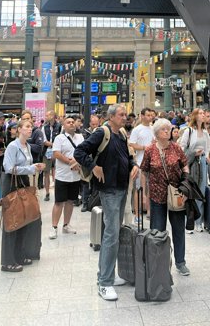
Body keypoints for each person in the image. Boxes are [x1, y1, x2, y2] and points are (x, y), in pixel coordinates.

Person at [74, 104, 139, 301]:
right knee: (111, 233)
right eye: (121, 115)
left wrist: (134, 165)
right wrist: (94, 167)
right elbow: (80, 152)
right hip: (108, 189)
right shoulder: (102, 132)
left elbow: (127, 156)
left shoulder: (122, 134)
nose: (124, 118)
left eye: (125, 115)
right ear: (111, 117)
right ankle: (104, 282)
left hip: (121, 187)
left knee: (115, 232)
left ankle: (107, 274)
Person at [141, 118, 190, 276]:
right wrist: (144, 194)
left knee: (178, 230)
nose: (167, 132)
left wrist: (185, 182)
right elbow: (144, 171)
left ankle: (180, 262)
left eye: (168, 129)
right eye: (164, 129)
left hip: (176, 194)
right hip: (157, 195)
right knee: (157, 231)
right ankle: (158, 262)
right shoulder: (150, 150)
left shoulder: (176, 148)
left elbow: (185, 165)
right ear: (156, 133)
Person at [1, 119, 45, 272]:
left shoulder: (27, 146)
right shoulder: (13, 146)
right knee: (12, 221)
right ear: (19, 129)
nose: (30, 129)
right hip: (12, 185)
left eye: (31, 127)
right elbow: (8, 168)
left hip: (23, 184)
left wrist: (35, 167)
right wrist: (30, 169)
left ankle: (19, 255)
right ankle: (7, 261)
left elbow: (26, 166)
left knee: (23, 220)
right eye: (27, 126)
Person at [49, 115, 83, 239]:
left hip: (75, 176)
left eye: (73, 122)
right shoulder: (59, 138)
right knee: (59, 202)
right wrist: (71, 162)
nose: (71, 124)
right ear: (64, 125)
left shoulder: (80, 137)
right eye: (68, 122)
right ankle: (54, 227)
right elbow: (56, 153)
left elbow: (83, 152)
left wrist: (77, 162)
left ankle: (66, 225)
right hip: (62, 176)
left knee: (70, 201)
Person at [179, 107, 210, 233]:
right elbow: (182, 147)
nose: (203, 115)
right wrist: (192, 153)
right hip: (191, 163)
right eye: (201, 113)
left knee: (201, 191)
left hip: (202, 162)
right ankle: (190, 222)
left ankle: (199, 221)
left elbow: (208, 148)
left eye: (204, 113)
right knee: (191, 192)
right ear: (195, 116)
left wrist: (207, 157)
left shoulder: (205, 132)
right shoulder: (189, 131)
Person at [129, 107, 155, 222]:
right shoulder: (137, 129)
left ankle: (149, 211)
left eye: (151, 115)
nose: (150, 117)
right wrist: (145, 147)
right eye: (148, 115)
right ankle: (137, 214)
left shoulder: (154, 129)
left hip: (152, 162)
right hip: (140, 161)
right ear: (142, 116)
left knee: (150, 188)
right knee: (138, 188)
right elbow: (132, 144)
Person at [42, 111, 61, 201]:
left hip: (57, 152)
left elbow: (61, 139)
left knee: (57, 172)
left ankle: (58, 192)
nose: (46, 116)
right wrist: (54, 144)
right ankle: (47, 193)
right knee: (46, 172)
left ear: (53, 116)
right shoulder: (44, 127)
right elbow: (44, 141)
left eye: (48, 115)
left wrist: (54, 146)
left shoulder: (60, 126)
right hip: (46, 152)